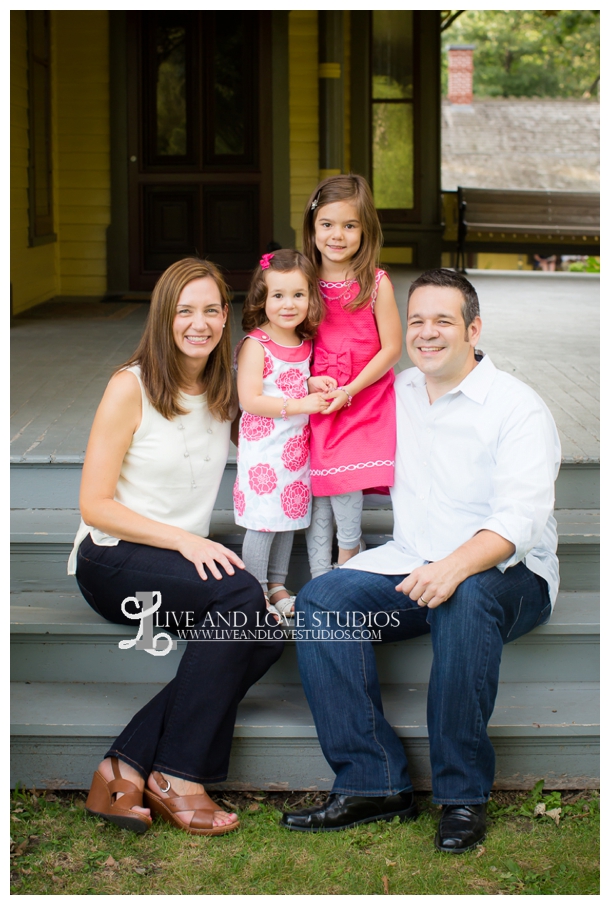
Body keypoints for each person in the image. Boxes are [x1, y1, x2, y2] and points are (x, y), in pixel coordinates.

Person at [281, 269, 560, 853]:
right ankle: (372, 782)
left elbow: (519, 521)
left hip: (511, 575)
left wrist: (456, 565)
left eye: (443, 321)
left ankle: (461, 796)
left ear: (473, 329)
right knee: (321, 600)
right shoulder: (400, 392)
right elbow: (336, 428)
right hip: (412, 560)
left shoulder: (517, 408)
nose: (427, 334)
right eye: (416, 321)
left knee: (467, 597)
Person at [68, 257, 283, 836]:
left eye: (212, 310)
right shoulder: (129, 386)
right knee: (242, 596)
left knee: (263, 635)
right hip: (113, 558)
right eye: (185, 310)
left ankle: (124, 761)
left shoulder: (223, 388)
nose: (200, 322)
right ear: (164, 317)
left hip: (175, 561)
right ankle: (181, 776)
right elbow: (96, 505)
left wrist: (311, 386)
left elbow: (276, 413)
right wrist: (186, 540)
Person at [301, 174, 403, 578]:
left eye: (350, 225)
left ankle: (348, 554)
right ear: (312, 227)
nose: (337, 235)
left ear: (366, 230)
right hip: (319, 398)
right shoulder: (303, 282)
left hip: (366, 398)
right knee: (321, 484)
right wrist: (308, 384)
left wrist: (351, 389)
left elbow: (392, 347)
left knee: (342, 470)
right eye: (327, 224)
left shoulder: (375, 283)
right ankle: (321, 572)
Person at [234, 250, 335, 620]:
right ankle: (253, 589)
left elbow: (288, 381)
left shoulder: (304, 343)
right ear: (263, 299)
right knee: (265, 521)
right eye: (278, 295)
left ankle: (276, 584)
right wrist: (301, 404)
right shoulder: (255, 345)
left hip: (294, 451)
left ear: (311, 298)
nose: (288, 304)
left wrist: (311, 381)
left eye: (298, 295)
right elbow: (250, 399)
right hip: (264, 452)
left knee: (288, 517)